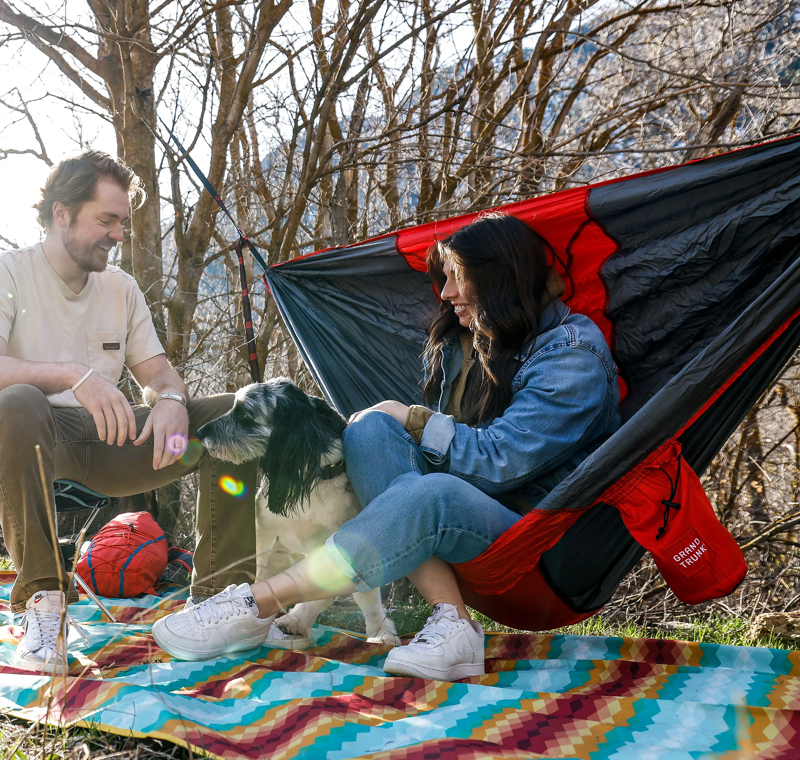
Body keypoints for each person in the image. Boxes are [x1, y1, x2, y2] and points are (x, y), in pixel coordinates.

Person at [153, 213, 622, 682]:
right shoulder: (475, 343)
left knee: (428, 489)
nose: (446, 293)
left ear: (500, 279)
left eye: (458, 277)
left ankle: (257, 603)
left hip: (542, 547)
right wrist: (391, 422)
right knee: (368, 430)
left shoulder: (571, 355)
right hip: (467, 526)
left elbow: (500, 461)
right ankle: (454, 622)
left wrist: (412, 418)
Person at [0, 151, 259, 674]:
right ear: (62, 214)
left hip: (118, 446)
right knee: (17, 401)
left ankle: (219, 602)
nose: (118, 234)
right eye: (107, 219)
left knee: (236, 415)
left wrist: (170, 401)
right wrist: (74, 375)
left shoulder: (121, 287)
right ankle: (43, 608)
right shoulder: (10, 272)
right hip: (34, 441)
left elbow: (159, 373)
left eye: (122, 221)